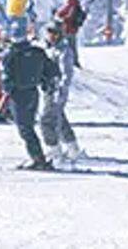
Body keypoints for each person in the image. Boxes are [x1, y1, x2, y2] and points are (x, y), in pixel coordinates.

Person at [1, 19, 54, 170]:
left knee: (25, 128)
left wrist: (7, 88)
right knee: (28, 126)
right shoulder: (37, 52)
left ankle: (39, 159)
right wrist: (45, 82)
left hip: (19, 95)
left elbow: (6, 76)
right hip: (32, 93)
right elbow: (50, 69)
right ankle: (38, 157)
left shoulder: (11, 54)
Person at [40, 23, 80, 164]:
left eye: (54, 33)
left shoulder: (63, 51)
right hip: (48, 89)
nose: (51, 35)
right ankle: (72, 146)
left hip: (56, 90)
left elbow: (66, 74)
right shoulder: (50, 48)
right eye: (49, 32)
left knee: (46, 120)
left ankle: (54, 149)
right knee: (60, 118)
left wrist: (61, 90)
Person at [54, 0, 85, 67]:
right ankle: (74, 61)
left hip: (69, 28)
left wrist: (61, 18)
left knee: (64, 44)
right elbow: (62, 12)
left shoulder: (73, 5)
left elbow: (69, 16)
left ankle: (70, 61)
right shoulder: (72, 5)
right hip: (71, 29)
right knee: (71, 45)